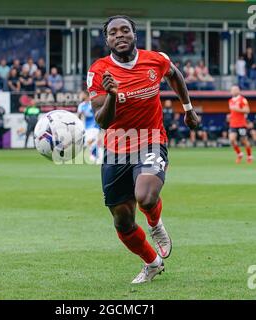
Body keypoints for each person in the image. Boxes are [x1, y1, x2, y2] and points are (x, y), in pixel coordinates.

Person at [87, 15, 199, 284]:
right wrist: (112, 95)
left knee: (145, 197)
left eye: (125, 30)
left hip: (151, 139)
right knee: (122, 221)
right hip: (116, 147)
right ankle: (152, 263)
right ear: (107, 40)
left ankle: (155, 223)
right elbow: (103, 121)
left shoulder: (155, 59)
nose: (119, 35)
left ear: (135, 34)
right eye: (113, 32)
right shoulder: (99, 71)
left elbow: (175, 75)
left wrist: (188, 109)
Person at [228, 85, 253, 163]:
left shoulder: (242, 100)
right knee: (232, 140)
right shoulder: (230, 100)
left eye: (236, 89)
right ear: (231, 91)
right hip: (233, 124)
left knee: (244, 141)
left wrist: (237, 109)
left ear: (239, 90)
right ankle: (239, 154)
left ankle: (249, 156)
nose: (234, 91)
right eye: (233, 90)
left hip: (241, 124)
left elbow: (247, 110)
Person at [77, 90, 101, 162]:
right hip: (87, 127)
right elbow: (79, 116)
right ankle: (96, 155)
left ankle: (95, 155)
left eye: (82, 94)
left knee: (91, 140)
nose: (80, 96)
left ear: (86, 95)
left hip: (95, 126)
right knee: (90, 142)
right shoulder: (81, 105)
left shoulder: (92, 104)